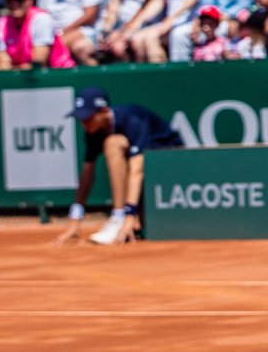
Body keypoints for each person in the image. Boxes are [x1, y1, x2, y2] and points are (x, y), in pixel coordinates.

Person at [55, 87, 184, 247]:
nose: (84, 124)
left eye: (88, 118)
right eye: (81, 119)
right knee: (147, 229)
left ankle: (118, 217)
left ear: (104, 111)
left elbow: (137, 170)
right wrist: (75, 220)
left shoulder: (133, 118)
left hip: (171, 167)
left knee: (113, 143)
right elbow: (87, 175)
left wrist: (128, 217)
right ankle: (121, 217)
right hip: (144, 177)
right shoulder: (93, 131)